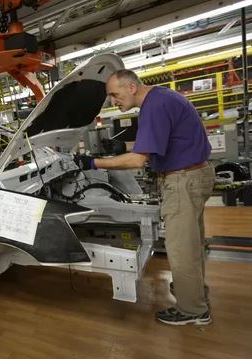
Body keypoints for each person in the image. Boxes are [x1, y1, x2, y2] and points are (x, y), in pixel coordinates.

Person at [75, 69, 214, 326]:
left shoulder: (153, 106)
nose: (113, 101)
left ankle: (193, 310)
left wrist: (93, 162)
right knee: (191, 243)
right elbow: (156, 144)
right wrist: (121, 149)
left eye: (114, 95)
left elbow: (138, 160)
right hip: (196, 174)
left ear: (131, 87)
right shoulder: (162, 98)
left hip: (183, 180)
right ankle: (195, 294)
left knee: (181, 248)